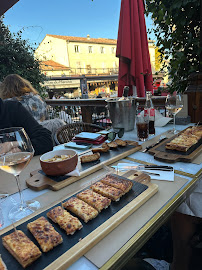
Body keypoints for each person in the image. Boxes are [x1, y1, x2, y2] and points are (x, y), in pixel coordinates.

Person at [0, 74, 66, 144]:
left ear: (5, 89)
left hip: (30, 139)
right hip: (50, 134)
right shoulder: (37, 98)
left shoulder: (11, 105)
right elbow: (46, 117)